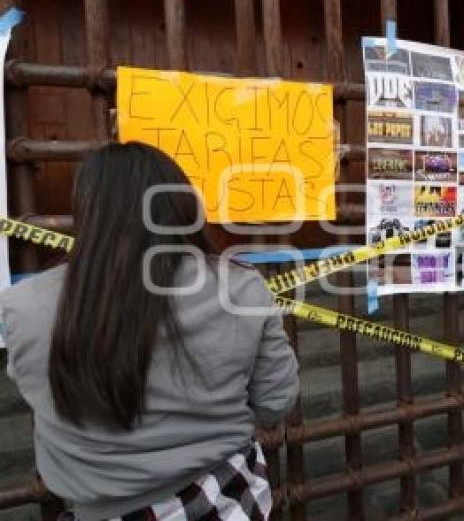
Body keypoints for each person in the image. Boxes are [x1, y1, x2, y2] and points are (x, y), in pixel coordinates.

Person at [0, 143, 299, 520]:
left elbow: (41, 400)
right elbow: (276, 402)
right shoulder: (241, 288)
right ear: (183, 206)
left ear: (87, 212)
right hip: (230, 502)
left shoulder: (24, 307)